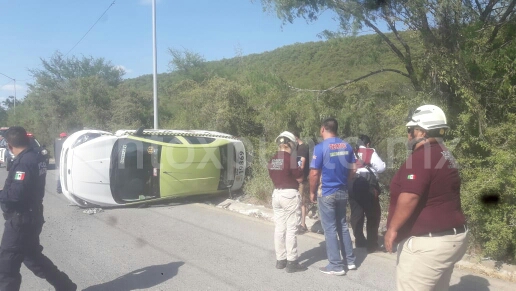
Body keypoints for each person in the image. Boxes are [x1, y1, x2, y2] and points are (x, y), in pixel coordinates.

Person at [384, 105, 468, 290]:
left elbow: (410, 197)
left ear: (421, 132)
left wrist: (392, 229)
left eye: (410, 130)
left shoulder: (422, 157)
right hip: (453, 237)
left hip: (429, 244)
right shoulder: (445, 153)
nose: (408, 135)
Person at [0, 126, 77, 291]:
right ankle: (66, 286)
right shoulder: (35, 157)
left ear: (9, 145)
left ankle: (66, 286)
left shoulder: (23, 163)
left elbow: (15, 195)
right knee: (33, 257)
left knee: (7, 267)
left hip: (21, 221)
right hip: (31, 217)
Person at [309, 118, 356, 275]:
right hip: (342, 190)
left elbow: (314, 173)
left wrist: (311, 191)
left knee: (329, 228)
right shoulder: (347, 146)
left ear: (323, 129)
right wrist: (344, 182)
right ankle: (350, 261)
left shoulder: (320, 147)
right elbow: (353, 170)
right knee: (342, 225)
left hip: (327, 191)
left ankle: (335, 265)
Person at [267, 131, 307, 273]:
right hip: (289, 195)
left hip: (276, 194)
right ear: (290, 145)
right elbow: (300, 177)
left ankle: (280, 260)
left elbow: (271, 174)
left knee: (279, 228)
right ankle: (292, 262)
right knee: (291, 229)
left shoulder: (273, 159)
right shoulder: (290, 159)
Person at [349, 134, 386, 253]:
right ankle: (372, 244)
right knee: (373, 215)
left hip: (353, 184)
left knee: (356, 213)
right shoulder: (370, 152)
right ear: (368, 144)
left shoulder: (351, 152)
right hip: (368, 186)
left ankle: (359, 240)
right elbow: (381, 168)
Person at [293, 132, 310, 233]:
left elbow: (301, 165)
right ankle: (299, 223)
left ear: (296, 137)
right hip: (295, 178)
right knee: (298, 201)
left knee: (300, 202)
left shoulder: (302, 148)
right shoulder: (295, 148)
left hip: (300, 179)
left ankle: (302, 224)